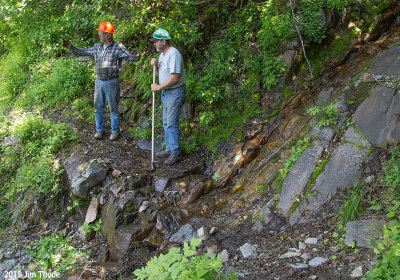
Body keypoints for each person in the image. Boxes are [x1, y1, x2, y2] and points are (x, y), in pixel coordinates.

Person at [63, 21, 139, 141]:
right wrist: (71, 47)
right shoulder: (97, 47)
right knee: (98, 107)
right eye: (99, 33)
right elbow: (83, 51)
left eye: (101, 33)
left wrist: (139, 56)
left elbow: (131, 57)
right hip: (99, 81)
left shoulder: (118, 48)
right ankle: (100, 129)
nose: (99, 35)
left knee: (113, 108)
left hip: (112, 82)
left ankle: (115, 131)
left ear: (108, 35)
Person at [150, 29, 186, 165]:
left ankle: (175, 153)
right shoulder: (162, 56)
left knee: (171, 124)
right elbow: (161, 75)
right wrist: (156, 67)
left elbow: (174, 78)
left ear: (163, 41)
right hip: (167, 92)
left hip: (175, 91)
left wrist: (158, 87)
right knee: (166, 122)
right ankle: (170, 149)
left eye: (156, 41)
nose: (154, 44)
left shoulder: (173, 54)